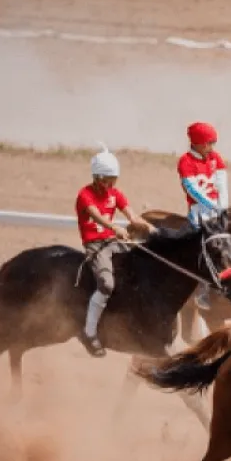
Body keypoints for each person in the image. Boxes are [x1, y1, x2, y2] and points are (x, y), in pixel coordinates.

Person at [76, 148, 150, 357]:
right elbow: (97, 216)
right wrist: (115, 228)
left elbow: (133, 217)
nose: (110, 185)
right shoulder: (85, 195)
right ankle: (89, 332)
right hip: (95, 245)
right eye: (107, 180)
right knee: (107, 284)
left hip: (112, 241)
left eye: (113, 180)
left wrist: (153, 229)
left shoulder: (115, 194)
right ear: (97, 178)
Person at [178, 122, 229, 310]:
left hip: (218, 210)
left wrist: (223, 205)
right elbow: (192, 190)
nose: (212, 148)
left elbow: (222, 183)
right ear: (198, 143)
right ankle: (202, 290)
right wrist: (212, 205)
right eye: (209, 143)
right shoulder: (185, 161)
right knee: (203, 246)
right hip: (198, 212)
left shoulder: (216, 158)